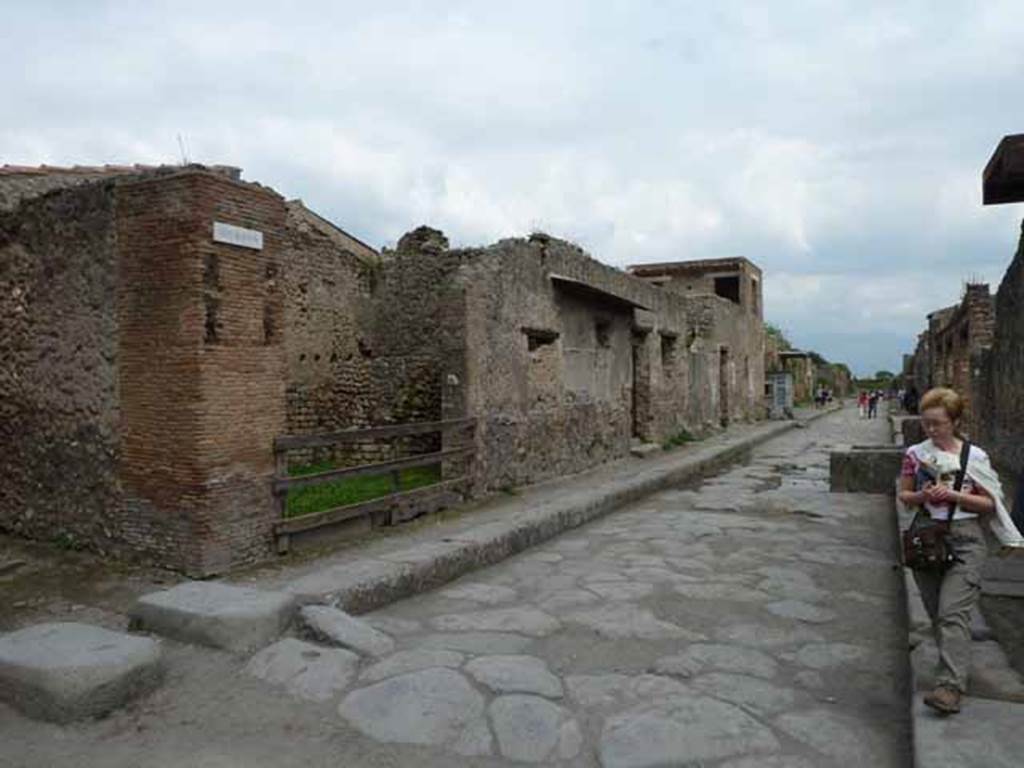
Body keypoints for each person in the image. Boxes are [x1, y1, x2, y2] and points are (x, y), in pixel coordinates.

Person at [897, 387, 1024, 714]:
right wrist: (925, 496)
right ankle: (952, 665)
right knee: (937, 613)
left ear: (954, 422)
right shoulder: (916, 454)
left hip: (966, 538)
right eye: (927, 424)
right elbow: (905, 496)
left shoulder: (975, 458)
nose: (931, 430)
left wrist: (953, 496)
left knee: (954, 612)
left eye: (938, 423)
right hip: (927, 537)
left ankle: (949, 687)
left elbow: (989, 503)